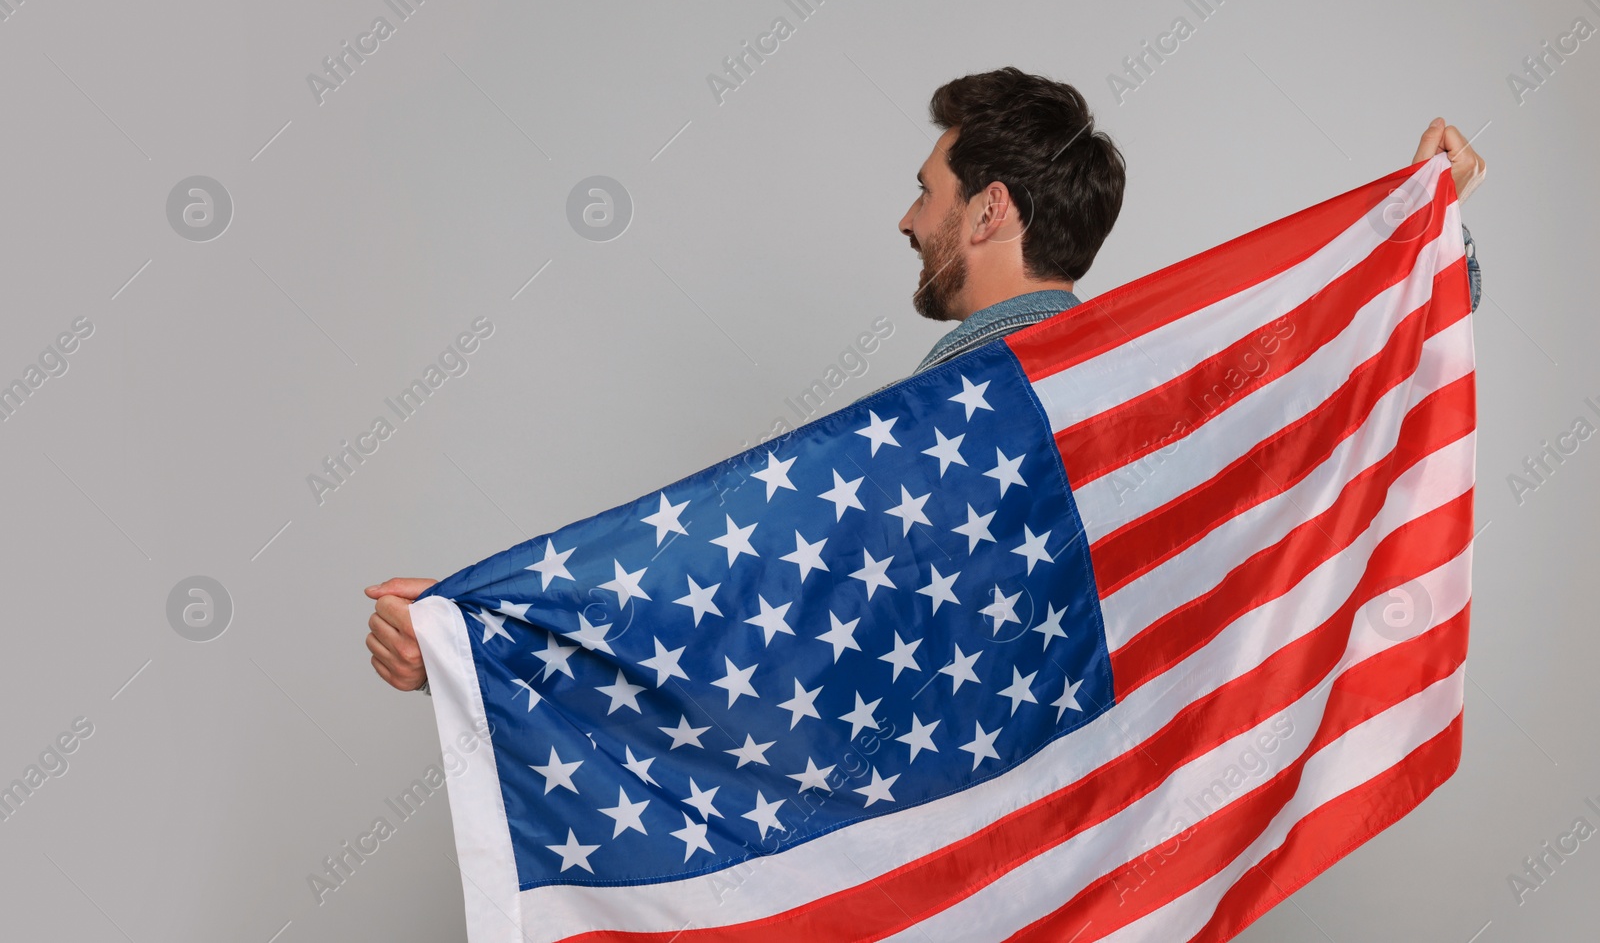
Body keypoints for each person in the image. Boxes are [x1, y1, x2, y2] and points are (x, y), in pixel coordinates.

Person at [363, 67, 1487, 694]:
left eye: (927, 188)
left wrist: (482, 643)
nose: (907, 218)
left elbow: (745, 595)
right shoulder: (1152, 405)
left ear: (989, 206)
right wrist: (1431, 244)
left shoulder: (929, 425)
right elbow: (1314, 385)